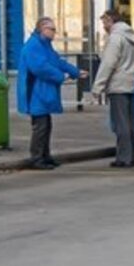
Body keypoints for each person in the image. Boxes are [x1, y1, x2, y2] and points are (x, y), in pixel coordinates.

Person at [17, 17, 85, 170]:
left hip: (42, 92)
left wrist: (75, 72)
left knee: (45, 126)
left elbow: (57, 61)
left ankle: (45, 156)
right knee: (40, 127)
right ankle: (37, 158)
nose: (55, 32)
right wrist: (62, 76)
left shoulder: (44, 45)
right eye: (52, 29)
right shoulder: (34, 46)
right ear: (42, 29)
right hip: (36, 92)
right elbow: (40, 68)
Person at [91, 10, 134, 168]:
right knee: (133, 123)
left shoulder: (115, 38)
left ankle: (123, 158)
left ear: (110, 20)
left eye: (104, 23)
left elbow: (108, 63)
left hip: (118, 85)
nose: (104, 27)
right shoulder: (133, 36)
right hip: (131, 83)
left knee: (121, 124)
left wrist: (97, 87)